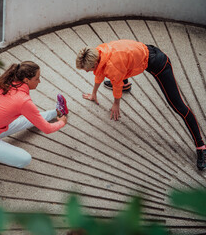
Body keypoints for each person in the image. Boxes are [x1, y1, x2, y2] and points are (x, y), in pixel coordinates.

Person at [75, 39, 206, 171]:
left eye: (88, 69)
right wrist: (93, 94)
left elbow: (116, 83)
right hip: (142, 53)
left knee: (178, 106)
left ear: (96, 62)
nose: (87, 72)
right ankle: (126, 84)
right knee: (119, 69)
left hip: (159, 64)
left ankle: (201, 146)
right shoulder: (100, 52)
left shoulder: (111, 65)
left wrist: (116, 104)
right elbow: (99, 73)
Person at [0, 61, 68, 168]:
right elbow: (47, 129)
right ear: (26, 80)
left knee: (28, 119)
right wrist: (61, 123)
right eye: (37, 78)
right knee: (25, 159)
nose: (39, 81)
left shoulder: (7, 84)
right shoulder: (23, 101)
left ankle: (57, 111)